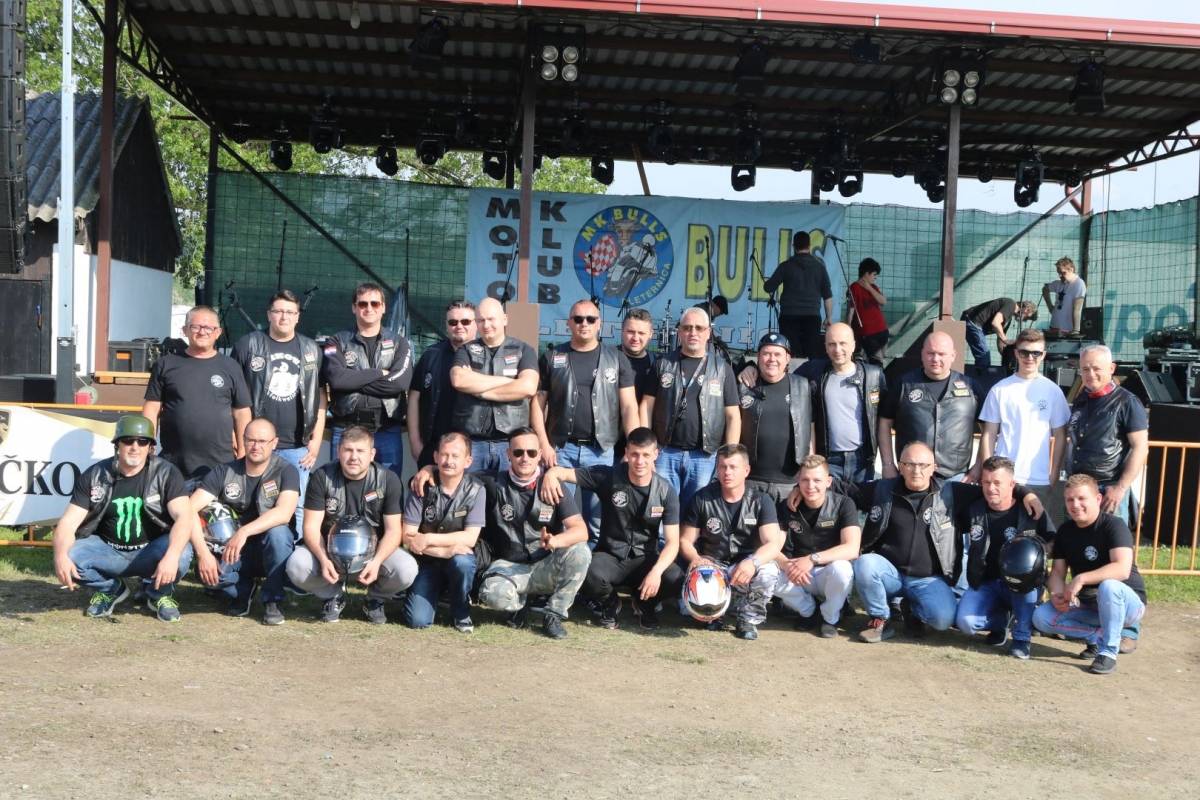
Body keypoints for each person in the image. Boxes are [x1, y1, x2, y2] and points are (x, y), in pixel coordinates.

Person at [842, 442, 1044, 643]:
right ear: (900, 466)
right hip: (890, 573)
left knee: (943, 620)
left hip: (928, 579)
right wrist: (824, 482)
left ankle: (913, 610)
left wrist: (1026, 493)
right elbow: (845, 490)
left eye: (923, 465)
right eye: (909, 464)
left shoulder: (951, 492)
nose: (916, 471)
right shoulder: (883, 489)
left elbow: (995, 488)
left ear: (934, 467)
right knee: (866, 563)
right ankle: (879, 619)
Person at [51, 415, 193, 622]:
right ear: (117, 444)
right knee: (68, 554)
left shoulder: (166, 473)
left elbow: (184, 517)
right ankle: (110, 589)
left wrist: (171, 556)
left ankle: (159, 594)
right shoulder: (95, 475)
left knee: (181, 553)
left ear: (150, 447)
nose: (135, 447)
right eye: (128, 440)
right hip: (108, 550)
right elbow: (67, 523)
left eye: (142, 441)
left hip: (151, 551)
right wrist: (60, 556)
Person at [540, 427, 683, 630]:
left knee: (675, 578)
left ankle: (645, 604)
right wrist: (551, 474)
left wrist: (656, 572)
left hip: (645, 558)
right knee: (588, 571)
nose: (640, 461)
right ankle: (611, 603)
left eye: (645, 455)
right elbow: (565, 473)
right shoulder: (608, 476)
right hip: (611, 557)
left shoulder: (666, 491)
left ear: (655, 454)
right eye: (634, 454)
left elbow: (672, 542)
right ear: (626, 453)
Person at [531, 298, 639, 540]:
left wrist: (635, 447)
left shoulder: (617, 358)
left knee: (598, 518)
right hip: (560, 450)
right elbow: (536, 405)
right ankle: (560, 558)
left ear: (599, 323)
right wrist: (543, 444)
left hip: (601, 450)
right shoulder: (551, 357)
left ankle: (592, 562)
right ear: (569, 323)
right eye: (578, 319)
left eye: (590, 319)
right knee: (559, 514)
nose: (584, 324)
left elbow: (629, 407)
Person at [469, 428, 591, 640]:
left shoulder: (553, 485)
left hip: (545, 564)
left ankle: (554, 614)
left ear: (540, 455)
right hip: (507, 566)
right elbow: (453, 476)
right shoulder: (491, 482)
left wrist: (556, 540)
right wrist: (429, 469)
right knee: (492, 595)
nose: (525, 458)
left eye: (531, 453)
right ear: (508, 454)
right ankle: (519, 606)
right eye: (518, 453)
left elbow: (581, 531)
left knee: (581, 552)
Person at [286, 425, 417, 624]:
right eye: (348, 450)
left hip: (373, 554)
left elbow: (393, 531)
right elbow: (311, 527)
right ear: (339, 451)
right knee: (297, 565)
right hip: (330, 552)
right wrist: (323, 559)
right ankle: (333, 596)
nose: (354, 457)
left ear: (372, 454)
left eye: (360, 451)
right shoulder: (322, 477)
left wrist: (376, 562)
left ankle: (375, 599)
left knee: (406, 569)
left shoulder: (388, 480)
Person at [186, 418, 299, 626]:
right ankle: (243, 591)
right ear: (243, 440)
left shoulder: (286, 471)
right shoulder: (223, 471)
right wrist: (203, 555)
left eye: (262, 441)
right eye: (251, 440)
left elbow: (284, 512)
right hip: (232, 550)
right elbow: (189, 509)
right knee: (210, 576)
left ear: (274, 443)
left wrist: (244, 531)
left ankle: (273, 600)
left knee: (279, 533)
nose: (256, 446)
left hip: (269, 549)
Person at [1033, 474, 1147, 675]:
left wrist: (1081, 578)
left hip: (1127, 605)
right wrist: (1057, 594)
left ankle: (1108, 652)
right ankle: (1096, 637)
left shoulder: (1114, 525)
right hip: (1090, 604)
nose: (1075, 505)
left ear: (1098, 499)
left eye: (1081, 498)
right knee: (1041, 617)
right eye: (1070, 499)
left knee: (1109, 586)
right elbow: (1058, 572)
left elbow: (1122, 569)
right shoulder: (1065, 531)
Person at [231, 290, 325, 529]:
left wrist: (315, 442)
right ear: (269, 314)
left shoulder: (311, 349)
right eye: (279, 311)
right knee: (250, 503)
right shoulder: (248, 345)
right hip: (256, 445)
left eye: (290, 312)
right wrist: (238, 440)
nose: (284, 317)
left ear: (298, 317)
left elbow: (321, 397)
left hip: (297, 447)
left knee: (298, 506)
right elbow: (231, 398)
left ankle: (295, 551)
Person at [679, 443, 785, 641]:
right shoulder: (701, 498)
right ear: (717, 469)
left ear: (746, 470)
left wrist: (752, 562)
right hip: (712, 565)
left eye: (733, 467)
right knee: (689, 609)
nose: (727, 472)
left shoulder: (762, 500)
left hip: (745, 567)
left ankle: (748, 619)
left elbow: (773, 543)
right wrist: (696, 559)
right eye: (722, 467)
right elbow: (685, 540)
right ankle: (713, 615)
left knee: (768, 569)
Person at [954, 456, 1055, 660]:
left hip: (1021, 584)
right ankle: (1001, 622)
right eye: (986, 482)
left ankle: (1021, 638)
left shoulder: (1031, 510)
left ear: (1012, 484)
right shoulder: (974, 508)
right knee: (965, 623)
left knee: (1026, 582)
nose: (991, 488)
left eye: (997, 483)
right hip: (985, 581)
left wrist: (1036, 554)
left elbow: (1053, 541)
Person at [642, 307, 741, 510]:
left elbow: (733, 416)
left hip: (704, 456)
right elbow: (646, 407)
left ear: (708, 332)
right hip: (665, 453)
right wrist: (646, 448)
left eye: (698, 328)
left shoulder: (723, 369)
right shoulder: (662, 364)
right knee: (661, 510)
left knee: (696, 513)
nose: (692, 332)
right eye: (687, 328)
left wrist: (729, 454)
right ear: (679, 332)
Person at [142, 305, 252, 487]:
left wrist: (243, 451)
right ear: (185, 330)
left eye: (209, 328)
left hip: (221, 466)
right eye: (196, 327)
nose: (202, 332)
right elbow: (152, 408)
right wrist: (147, 444)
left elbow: (242, 413)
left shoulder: (231, 367)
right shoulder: (165, 364)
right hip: (174, 465)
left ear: (218, 332)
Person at [320, 282, 413, 475]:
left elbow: (399, 383)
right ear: (354, 307)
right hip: (346, 428)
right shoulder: (336, 341)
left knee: (388, 485)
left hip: (386, 430)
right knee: (340, 486)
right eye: (362, 304)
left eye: (375, 303)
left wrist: (353, 381)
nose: (369, 308)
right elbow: (337, 380)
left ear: (383, 307)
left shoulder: (399, 343)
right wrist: (379, 373)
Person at [401, 432, 486, 633]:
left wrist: (428, 538)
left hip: (457, 560)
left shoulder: (477, 490)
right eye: (444, 455)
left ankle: (461, 611)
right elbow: (407, 536)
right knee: (417, 621)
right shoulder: (420, 485)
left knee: (463, 561)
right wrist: (444, 551)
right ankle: (433, 593)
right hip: (427, 562)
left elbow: (469, 538)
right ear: (436, 457)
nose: (449, 461)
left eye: (455, 456)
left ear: (468, 461)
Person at [978, 328, 1071, 510]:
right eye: (1024, 352)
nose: (1030, 357)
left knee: (1035, 528)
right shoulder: (1000, 389)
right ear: (1016, 353)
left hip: (1039, 480)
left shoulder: (1053, 391)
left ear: (1043, 355)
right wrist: (988, 474)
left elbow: (1060, 435)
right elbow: (988, 434)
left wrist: (1053, 475)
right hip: (1003, 479)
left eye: (1036, 353)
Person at [775, 455, 861, 638]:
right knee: (768, 570)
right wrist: (788, 566)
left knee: (843, 569)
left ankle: (830, 617)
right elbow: (773, 547)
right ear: (798, 481)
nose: (810, 486)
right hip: (799, 574)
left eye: (817, 480)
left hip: (827, 573)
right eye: (805, 480)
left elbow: (852, 548)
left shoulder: (844, 504)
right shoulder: (786, 506)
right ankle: (809, 611)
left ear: (828, 482)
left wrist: (812, 559)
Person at [450, 297, 539, 473]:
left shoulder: (523, 350)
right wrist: (509, 382)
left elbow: (528, 387)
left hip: (511, 444)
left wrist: (478, 389)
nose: (486, 325)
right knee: (471, 490)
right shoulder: (465, 350)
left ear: (505, 319)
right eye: (481, 320)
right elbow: (459, 380)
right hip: (472, 444)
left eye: (491, 319)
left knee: (509, 491)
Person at [879, 331, 980, 482]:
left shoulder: (971, 387)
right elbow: (884, 423)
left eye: (941, 354)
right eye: (930, 353)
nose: (935, 359)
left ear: (953, 355)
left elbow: (988, 430)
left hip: (956, 476)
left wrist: (978, 467)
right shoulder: (903, 385)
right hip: (912, 475)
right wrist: (887, 464)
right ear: (922, 354)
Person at [1066, 345, 1149, 530]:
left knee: (1112, 542)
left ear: (1111, 368)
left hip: (1109, 489)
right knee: (1076, 543)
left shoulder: (1128, 402)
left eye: (1096, 368)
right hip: (1078, 487)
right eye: (1085, 369)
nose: (1091, 374)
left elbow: (1141, 447)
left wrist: (1120, 488)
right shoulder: (1081, 400)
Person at [738, 332, 812, 502]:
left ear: (788, 358)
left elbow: (811, 431)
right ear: (758, 357)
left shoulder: (802, 386)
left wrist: (807, 476)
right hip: (750, 481)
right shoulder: (744, 385)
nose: (772, 359)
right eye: (766, 354)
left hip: (789, 484)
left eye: (777, 354)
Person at [408, 300, 477, 468]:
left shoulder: (487, 357)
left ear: (476, 324)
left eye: (465, 321)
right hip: (433, 448)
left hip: (474, 449)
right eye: (453, 322)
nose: (459, 326)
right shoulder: (431, 355)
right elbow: (414, 398)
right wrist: (415, 443)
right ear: (446, 326)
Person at [763, 230, 833, 359]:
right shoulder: (820, 267)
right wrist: (828, 317)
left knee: (790, 354)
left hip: (789, 316)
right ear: (809, 245)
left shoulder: (785, 266)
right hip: (812, 316)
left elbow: (768, 287)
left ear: (794, 246)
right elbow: (827, 296)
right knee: (811, 354)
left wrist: (768, 281)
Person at [614, 308, 658, 463]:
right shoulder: (607, 359)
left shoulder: (657, 364)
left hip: (641, 449)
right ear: (622, 331)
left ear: (650, 334)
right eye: (630, 332)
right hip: (607, 445)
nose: (635, 338)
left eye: (641, 333)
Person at [959, 297, 1037, 369]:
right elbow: (996, 323)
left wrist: (1006, 355)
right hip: (973, 322)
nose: (1025, 320)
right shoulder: (1011, 304)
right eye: (1027, 317)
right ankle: (979, 377)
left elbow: (1000, 340)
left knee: (984, 358)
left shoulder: (1008, 319)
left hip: (973, 324)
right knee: (984, 357)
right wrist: (1006, 340)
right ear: (1027, 309)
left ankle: (980, 374)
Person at [846, 258, 888, 364]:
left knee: (881, 360)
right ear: (866, 273)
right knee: (877, 361)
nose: (875, 277)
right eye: (874, 274)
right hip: (867, 333)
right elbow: (850, 311)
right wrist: (848, 330)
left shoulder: (873, 287)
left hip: (882, 329)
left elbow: (883, 301)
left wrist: (869, 288)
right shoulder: (854, 288)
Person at [1042, 256, 1087, 335]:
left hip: (1067, 329)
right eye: (1058, 273)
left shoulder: (1079, 284)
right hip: (1054, 327)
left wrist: (1076, 330)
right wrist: (1050, 306)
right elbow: (1045, 289)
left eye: (1063, 273)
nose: (1060, 276)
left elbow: (1077, 309)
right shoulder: (1058, 283)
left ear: (1071, 269)